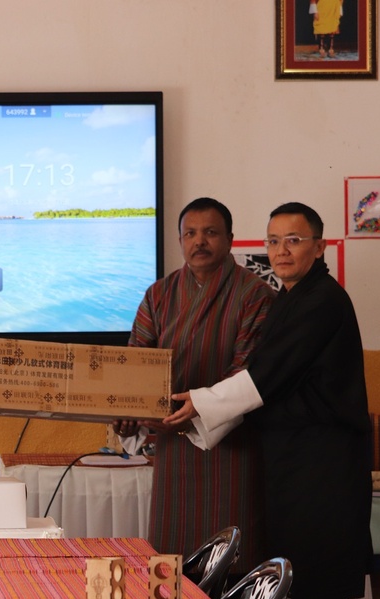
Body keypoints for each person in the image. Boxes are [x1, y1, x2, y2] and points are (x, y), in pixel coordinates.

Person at [167, 202, 373, 599]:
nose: (281, 251)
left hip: (324, 463)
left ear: (319, 247)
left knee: (320, 571)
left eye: (293, 240)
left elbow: (264, 379)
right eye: (273, 241)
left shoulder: (324, 300)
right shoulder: (288, 299)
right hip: (292, 459)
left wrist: (201, 404)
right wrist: (202, 414)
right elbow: (263, 380)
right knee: (292, 567)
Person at [113, 197, 275, 575]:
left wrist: (196, 412)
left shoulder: (255, 294)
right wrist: (129, 412)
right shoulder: (159, 294)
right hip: (172, 449)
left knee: (231, 559)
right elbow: (134, 365)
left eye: (210, 232)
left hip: (233, 448)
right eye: (190, 233)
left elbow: (247, 374)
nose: (199, 241)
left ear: (230, 239)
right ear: (180, 240)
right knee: (172, 561)